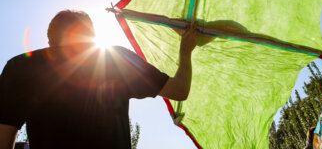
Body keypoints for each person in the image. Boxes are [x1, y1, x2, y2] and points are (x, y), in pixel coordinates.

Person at [0, 10, 197, 149]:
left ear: (50, 39)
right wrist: (185, 51)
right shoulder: (115, 59)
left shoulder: (19, 67)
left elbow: (4, 134)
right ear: (91, 35)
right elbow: (179, 90)